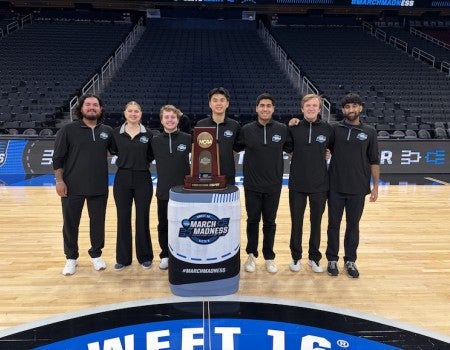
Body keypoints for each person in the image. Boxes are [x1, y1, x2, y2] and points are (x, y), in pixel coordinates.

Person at [53, 94, 113, 276]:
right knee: (70, 223)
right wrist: (59, 181)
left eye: (95, 105)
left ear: (101, 109)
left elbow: (120, 150)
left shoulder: (108, 131)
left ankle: (96, 254)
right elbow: (58, 158)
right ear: (81, 108)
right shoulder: (68, 130)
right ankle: (71, 257)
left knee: (98, 223)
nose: (92, 107)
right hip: (72, 186)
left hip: (98, 185)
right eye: (88, 105)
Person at [326, 93, 380, 278]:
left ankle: (350, 260)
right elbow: (326, 149)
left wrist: (375, 187)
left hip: (358, 188)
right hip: (335, 186)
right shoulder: (335, 129)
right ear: (343, 110)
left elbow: (374, 160)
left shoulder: (370, 132)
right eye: (348, 107)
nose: (351, 110)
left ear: (360, 108)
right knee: (333, 224)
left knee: (353, 225)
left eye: (354, 106)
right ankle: (331, 258)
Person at [237, 93, 291, 274]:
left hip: (273, 185)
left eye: (268, 105)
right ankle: (251, 254)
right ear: (256, 108)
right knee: (252, 221)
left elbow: (293, 151)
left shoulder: (283, 129)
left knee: (270, 222)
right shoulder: (247, 129)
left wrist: (322, 154)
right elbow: (233, 151)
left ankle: (269, 257)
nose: (265, 108)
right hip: (251, 185)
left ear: (273, 109)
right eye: (262, 105)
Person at [286, 94, 333, 273]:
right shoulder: (294, 127)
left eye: (315, 105)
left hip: (320, 185)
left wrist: (327, 153)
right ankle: (296, 257)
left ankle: (314, 258)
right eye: (308, 105)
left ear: (319, 109)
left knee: (316, 222)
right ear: (302, 108)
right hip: (297, 184)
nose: (311, 108)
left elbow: (331, 149)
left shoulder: (328, 129)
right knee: (296, 222)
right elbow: (288, 149)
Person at [110, 101, 154, 271]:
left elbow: (150, 155)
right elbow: (113, 151)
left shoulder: (148, 134)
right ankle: (123, 258)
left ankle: (145, 257)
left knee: (142, 217)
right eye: (130, 111)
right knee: (123, 218)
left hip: (143, 178)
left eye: (136, 111)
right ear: (125, 113)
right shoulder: (116, 133)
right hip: (122, 179)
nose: (133, 114)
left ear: (141, 114)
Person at [151, 105, 191, 270]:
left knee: (186, 225)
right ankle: (165, 255)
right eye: (166, 117)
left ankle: (185, 252)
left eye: (173, 117)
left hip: (185, 193)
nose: (169, 120)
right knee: (164, 225)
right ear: (161, 120)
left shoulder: (188, 138)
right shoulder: (154, 141)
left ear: (178, 119)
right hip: (163, 192)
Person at [195, 87, 241, 185]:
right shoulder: (201, 125)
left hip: (227, 174)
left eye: (222, 100)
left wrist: (224, 155)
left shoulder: (234, 125)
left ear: (227, 103)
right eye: (215, 100)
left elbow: (237, 148)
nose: (219, 103)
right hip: (206, 174)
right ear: (210, 104)